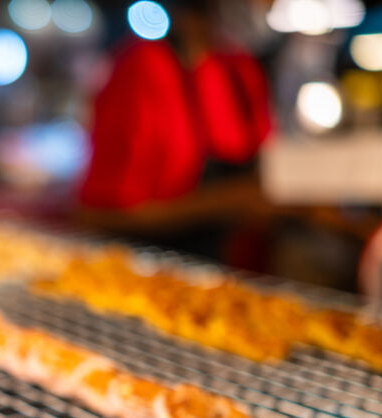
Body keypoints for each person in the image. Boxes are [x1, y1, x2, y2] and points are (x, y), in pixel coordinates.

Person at [75, 0, 273, 259]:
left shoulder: (241, 71)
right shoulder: (144, 68)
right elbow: (98, 214)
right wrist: (224, 202)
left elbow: (265, 169)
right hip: (149, 271)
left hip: (231, 273)